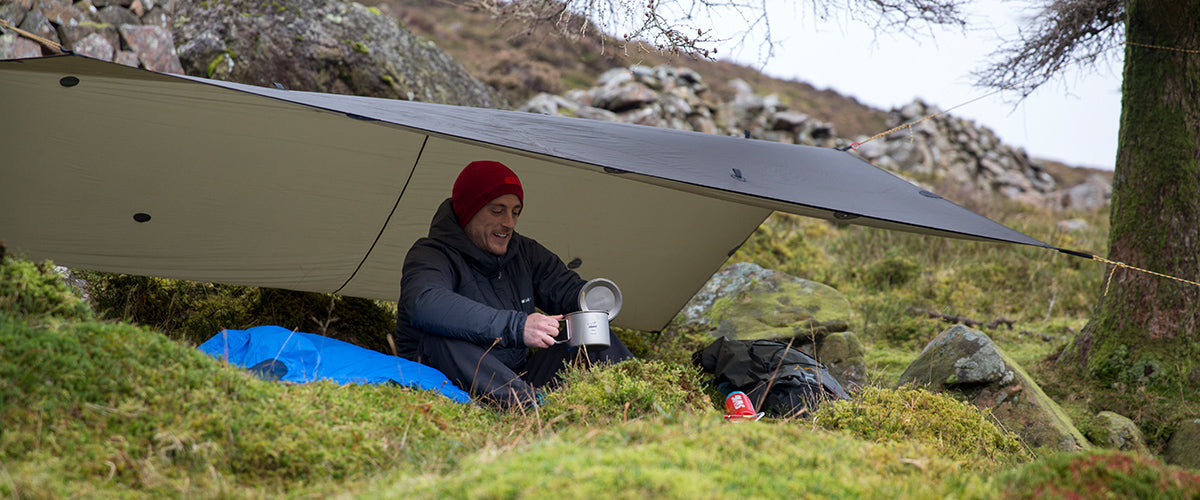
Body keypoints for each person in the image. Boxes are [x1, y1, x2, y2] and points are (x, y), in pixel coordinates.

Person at [395, 160, 635, 407]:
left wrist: (588, 300)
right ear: (468, 211)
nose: (509, 222)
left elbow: (563, 288)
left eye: (515, 212)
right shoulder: (431, 253)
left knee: (588, 332)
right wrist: (517, 327)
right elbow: (425, 303)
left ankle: (646, 394)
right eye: (497, 211)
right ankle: (532, 410)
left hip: (518, 380)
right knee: (439, 337)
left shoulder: (523, 252)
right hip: (457, 381)